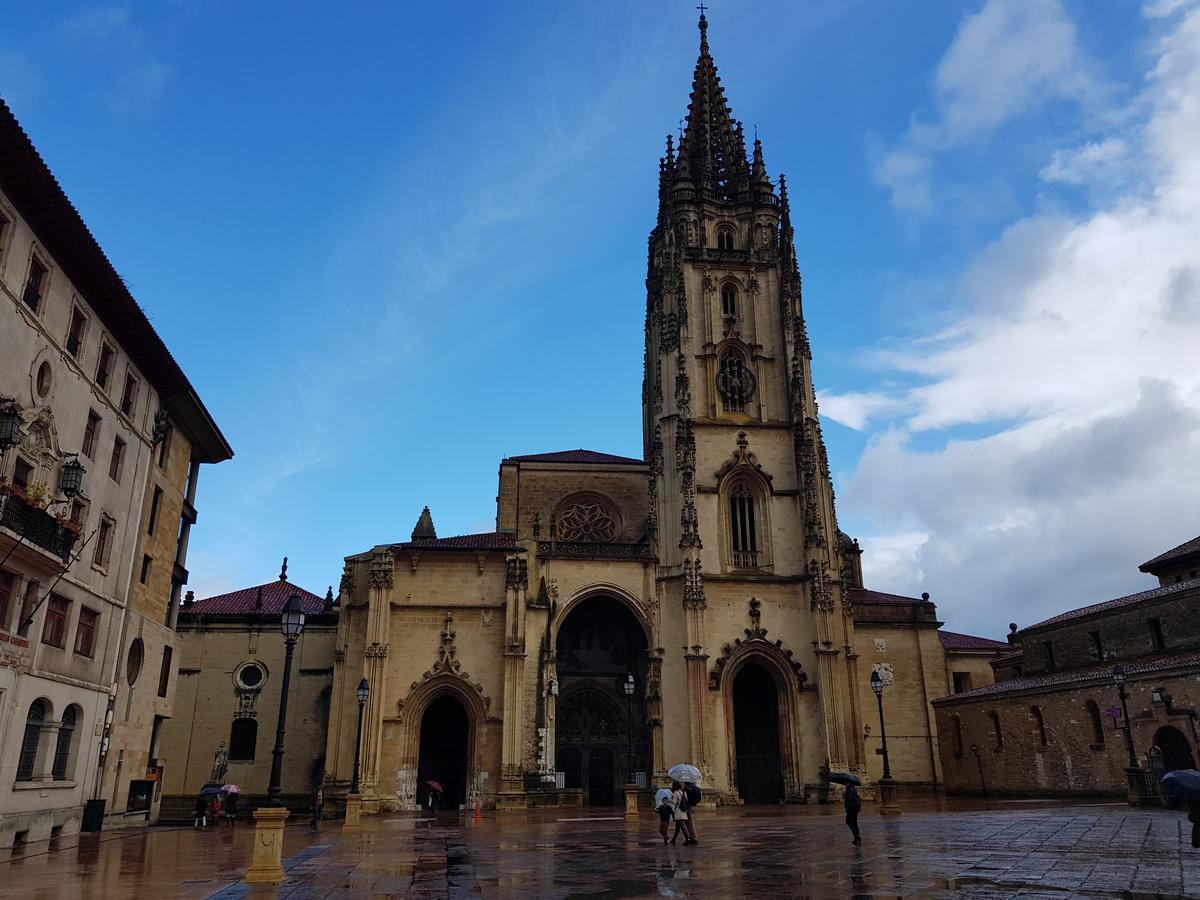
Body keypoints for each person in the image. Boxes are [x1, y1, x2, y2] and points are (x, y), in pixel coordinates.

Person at [669, 781, 696, 846]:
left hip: (678, 811)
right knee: (677, 826)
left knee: (682, 825)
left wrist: (670, 800)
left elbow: (675, 802)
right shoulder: (684, 792)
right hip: (684, 810)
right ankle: (674, 839)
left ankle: (687, 838)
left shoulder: (675, 792)